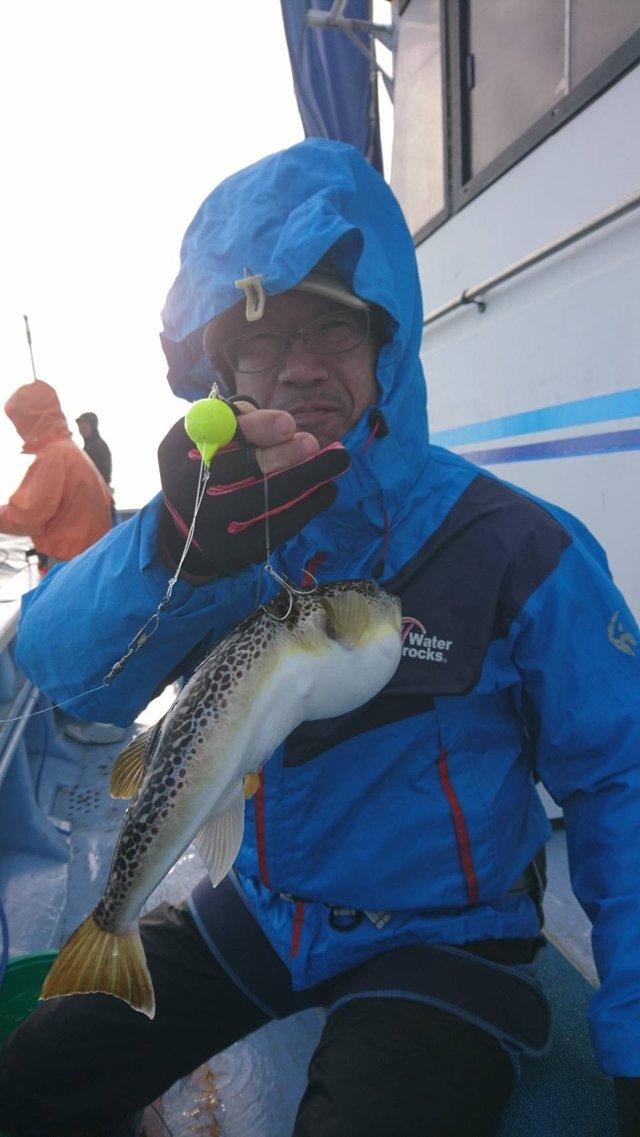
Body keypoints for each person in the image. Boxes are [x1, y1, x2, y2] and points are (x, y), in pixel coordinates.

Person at [0, 139, 639, 1137]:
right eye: (259, 341)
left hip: (446, 940)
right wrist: (170, 548)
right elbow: (63, 671)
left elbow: (620, 778)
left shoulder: (517, 545)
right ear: (223, 373)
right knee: (31, 1077)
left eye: (331, 327)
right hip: (260, 908)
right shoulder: (218, 534)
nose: (298, 366)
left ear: (387, 340)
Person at [0, 380, 113, 573]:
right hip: (88, 561)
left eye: (20, 422)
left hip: (68, 566)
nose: (18, 430)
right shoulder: (70, 451)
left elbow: (26, 515)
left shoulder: (54, 457)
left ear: (32, 420)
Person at [75, 411, 113, 488]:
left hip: (97, 491)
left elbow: (100, 476)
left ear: (93, 426)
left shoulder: (99, 446)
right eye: (80, 426)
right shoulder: (87, 448)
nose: (82, 429)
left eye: (85, 425)